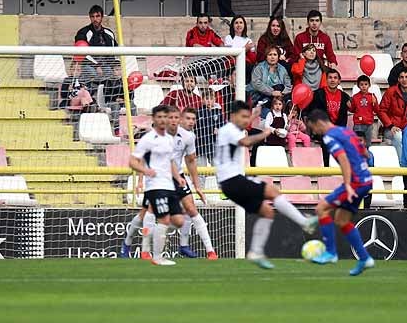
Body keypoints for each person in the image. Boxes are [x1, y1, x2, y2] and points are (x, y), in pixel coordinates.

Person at [214, 100, 316, 269]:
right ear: (232, 116)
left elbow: (243, 128)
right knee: (273, 192)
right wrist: (265, 133)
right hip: (232, 180)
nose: (246, 120)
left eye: (247, 117)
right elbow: (246, 142)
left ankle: (256, 252)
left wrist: (254, 114)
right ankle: (303, 222)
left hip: (230, 183)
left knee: (267, 211)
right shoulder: (228, 130)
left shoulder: (231, 129)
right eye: (243, 117)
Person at [305, 109, 376, 276]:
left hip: (355, 182)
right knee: (341, 219)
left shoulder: (329, 136)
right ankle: (365, 259)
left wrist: (348, 184)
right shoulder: (345, 131)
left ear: (319, 123)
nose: (314, 133)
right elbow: (365, 152)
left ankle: (330, 253)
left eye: (313, 128)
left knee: (321, 208)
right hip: (366, 179)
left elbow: (343, 158)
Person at [129, 105, 185, 266]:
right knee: (164, 219)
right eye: (158, 117)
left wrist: (178, 177)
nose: (162, 120)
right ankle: (157, 256)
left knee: (179, 221)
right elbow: (133, 161)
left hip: (169, 186)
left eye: (164, 117)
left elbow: (171, 161)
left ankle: (149, 232)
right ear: (154, 119)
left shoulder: (169, 139)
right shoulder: (148, 139)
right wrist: (145, 171)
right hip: (155, 187)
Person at [168, 107, 216, 259]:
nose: (191, 122)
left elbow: (191, 162)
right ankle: (133, 246)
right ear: (180, 119)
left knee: (191, 208)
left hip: (178, 177)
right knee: (151, 213)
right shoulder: (164, 132)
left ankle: (209, 251)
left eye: (193, 119)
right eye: (187, 118)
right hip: (160, 176)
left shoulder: (189, 137)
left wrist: (197, 187)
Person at [379, 66, 407, 146]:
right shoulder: (390, 92)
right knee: (399, 136)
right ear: (398, 79)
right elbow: (382, 111)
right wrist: (391, 126)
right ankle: (402, 159)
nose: (404, 80)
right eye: (401, 77)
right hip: (391, 128)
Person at [349, 74, 380, 143]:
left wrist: (375, 103)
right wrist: (349, 106)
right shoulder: (355, 97)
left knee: (368, 143)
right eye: (361, 84)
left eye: (366, 84)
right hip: (358, 123)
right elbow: (352, 110)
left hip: (369, 123)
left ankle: (367, 153)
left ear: (369, 85)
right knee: (358, 143)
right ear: (358, 86)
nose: (364, 86)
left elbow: (377, 110)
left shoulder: (372, 96)